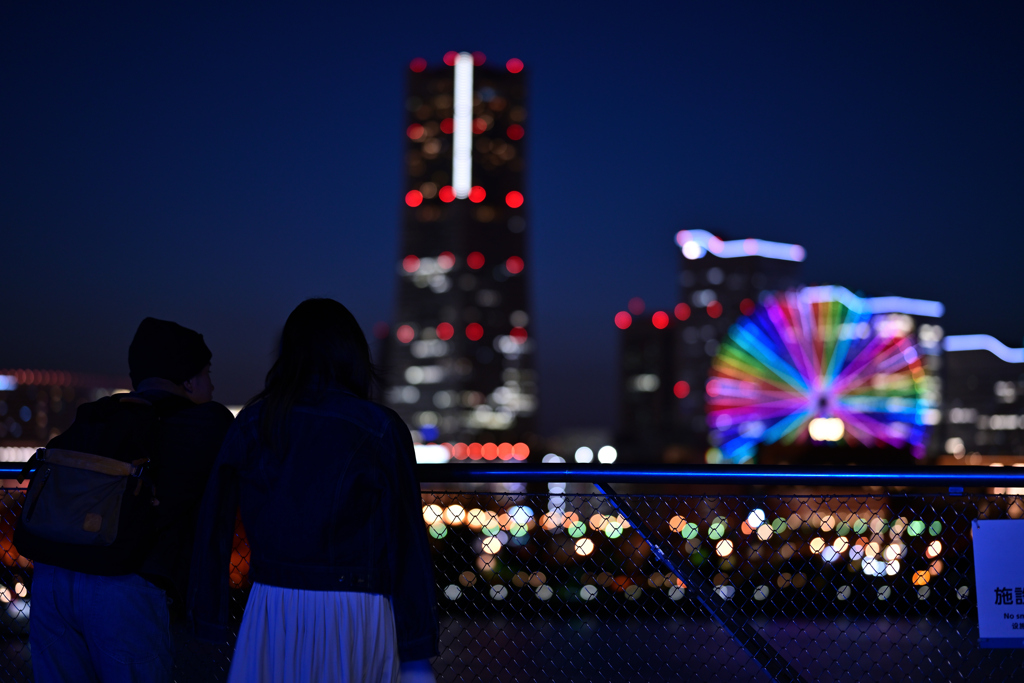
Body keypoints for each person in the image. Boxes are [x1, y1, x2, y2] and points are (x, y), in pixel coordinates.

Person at [189, 298, 438, 683]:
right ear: (354, 354)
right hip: (357, 603)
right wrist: (417, 650)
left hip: (273, 600)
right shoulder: (381, 428)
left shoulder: (254, 421)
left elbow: (213, 526)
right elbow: (406, 542)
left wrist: (209, 617)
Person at [17, 317, 235, 683]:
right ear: (188, 380)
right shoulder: (208, 423)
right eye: (207, 372)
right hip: (123, 585)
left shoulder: (99, 415)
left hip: (53, 579)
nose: (212, 384)